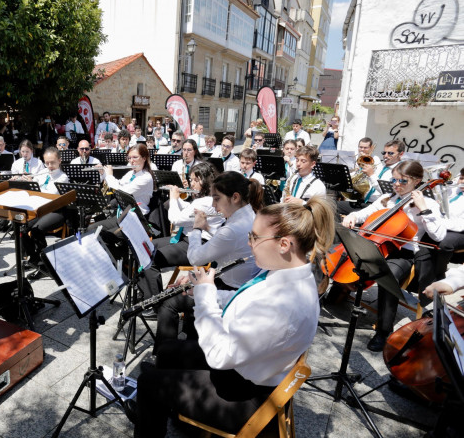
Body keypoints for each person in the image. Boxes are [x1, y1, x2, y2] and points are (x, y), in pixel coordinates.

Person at [127, 196, 335, 438]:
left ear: (284, 244)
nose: (249, 243)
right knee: (167, 351)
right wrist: (207, 291)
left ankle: (157, 408)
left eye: (255, 237)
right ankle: (169, 410)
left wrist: (205, 299)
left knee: (148, 383)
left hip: (243, 392)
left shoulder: (283, 304)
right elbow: (246, 298)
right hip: (248, 365)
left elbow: (219, 356)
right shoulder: (289, 272)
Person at [150, 170, 263, 350]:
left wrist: (196, 229)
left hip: (231, 289)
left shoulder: (233, 228)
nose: (214, 205)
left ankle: (164, 358)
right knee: (188, 286)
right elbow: (226, 243)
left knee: (168, 303)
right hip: (232, 279)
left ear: (235, 197)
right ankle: (190, 343)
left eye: (217, 199)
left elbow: (195, 258)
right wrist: (207, 227)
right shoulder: (248, 214)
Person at [342, 160, 446, 352]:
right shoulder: (389, 198)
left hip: (404, 253)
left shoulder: (428, 203)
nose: (397, 185)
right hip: (380, 244)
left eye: (403, 181)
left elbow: (438, 235)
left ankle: (383, 332)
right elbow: (367, 212)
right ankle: (337, 292)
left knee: (387, 277)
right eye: (394, 180)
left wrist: (423, 208)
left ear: (417, 181)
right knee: (347, 251)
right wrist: (353, 217)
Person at [138, 162, 223, 311]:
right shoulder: (206, 199)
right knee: (147, 247)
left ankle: (155, 305)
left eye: (195, 180)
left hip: (198, 245)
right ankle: (148, 292)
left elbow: (176, 219)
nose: (192, 183)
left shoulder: (206, 202)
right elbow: (187, 209)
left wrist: (173, 198)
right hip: (187, 239)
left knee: (151, 259)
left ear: (204, 181)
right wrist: (177, 200)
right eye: (191, 180)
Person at [19, 147, 70, 279]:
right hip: (41, 210)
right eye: (46, 163)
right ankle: (34, 259)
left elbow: (51, 194)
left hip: (56, 211)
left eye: (52, 162)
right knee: (22, 228)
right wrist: (28, 183)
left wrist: (34, 184)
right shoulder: (42, 173)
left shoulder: (63, 177)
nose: (49, 166)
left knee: (37, 230)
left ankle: (44, 265)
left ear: (59, 160)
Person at [336, 140, 404, 216]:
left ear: (401, 154)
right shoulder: (382, 167)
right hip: (364, 202)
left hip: (377, 206)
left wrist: (371, 175)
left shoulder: (399, 171)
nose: (385, 156)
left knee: (335, 207)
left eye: (390, 153)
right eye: (384, 153)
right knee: (332, 205)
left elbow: (387, 192)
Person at [433, 168, 464, 280]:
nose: (462, 182)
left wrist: (441, 223)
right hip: (444, 224)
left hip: (460, 230)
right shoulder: (454, 189)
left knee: (445, 243)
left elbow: (461, 225)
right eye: (461, 178)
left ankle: (439, 275)